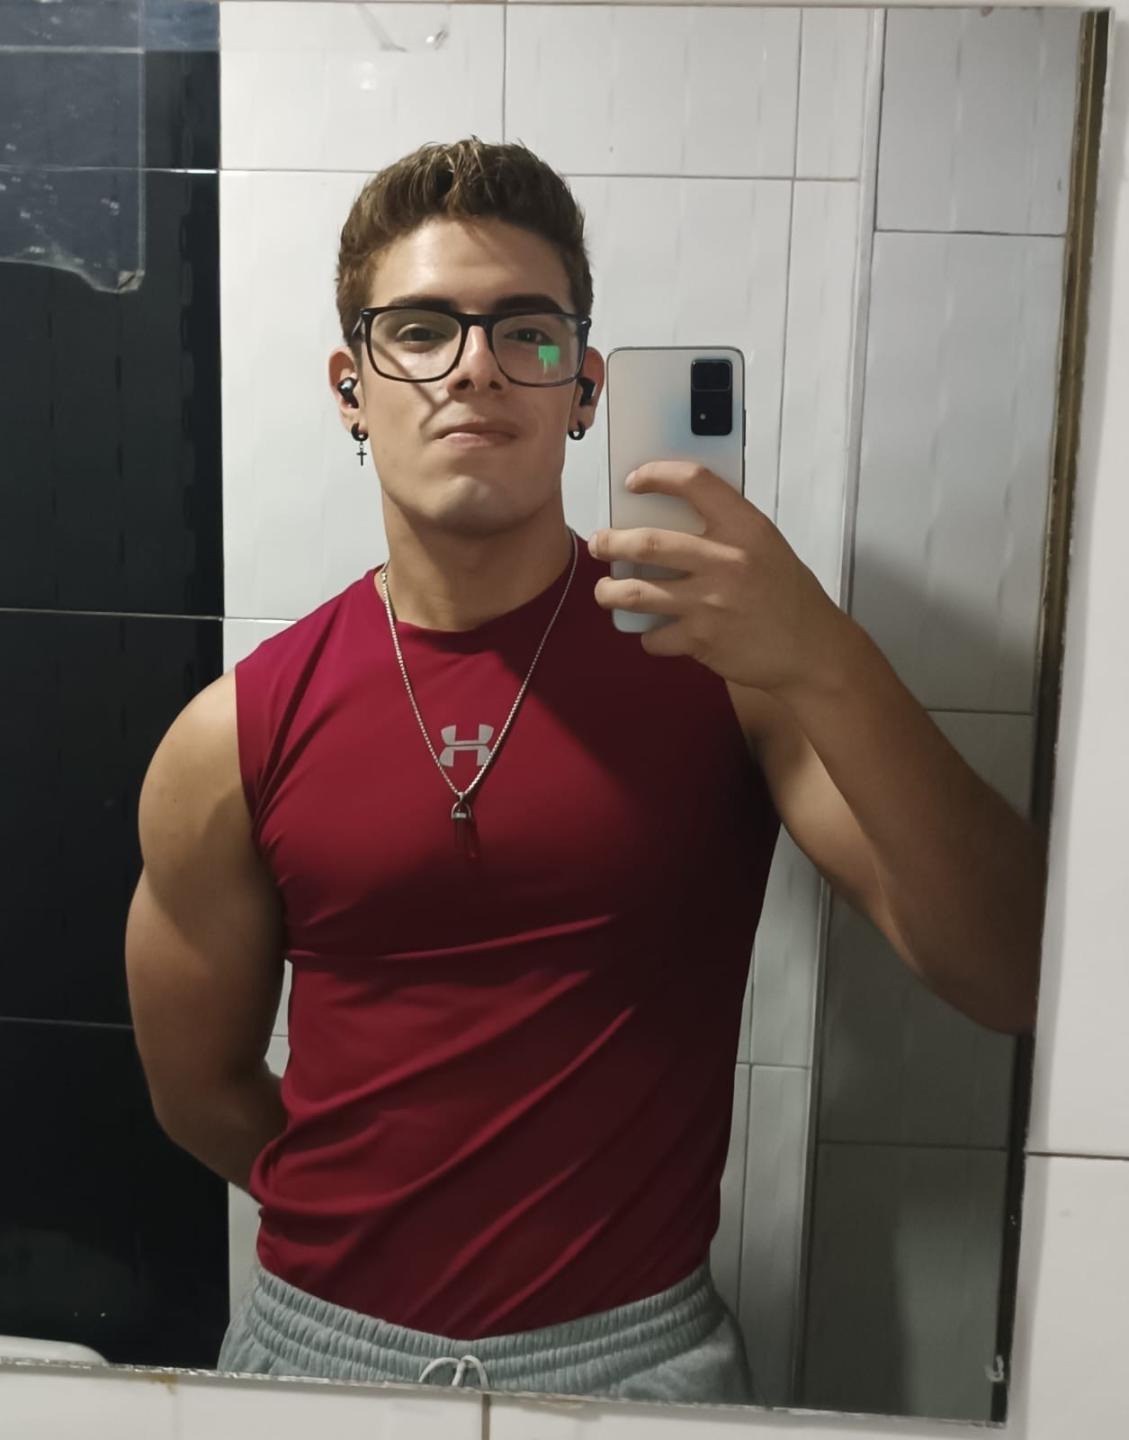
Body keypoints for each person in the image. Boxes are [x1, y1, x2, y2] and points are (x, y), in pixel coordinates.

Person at [124, 137, 1045, 1404]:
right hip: (313, 1358)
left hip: (635, 1365)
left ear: (585, 389)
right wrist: (380, 1236)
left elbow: (1011, 972)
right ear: (351, 387)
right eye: (419, 331)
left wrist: (826, 655)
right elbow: (199, 1091)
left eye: (527, 333)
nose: (474, 367)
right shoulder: (234, 733)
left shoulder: (732, 673)